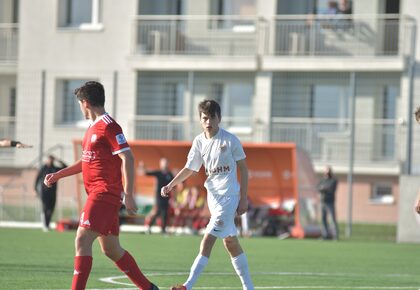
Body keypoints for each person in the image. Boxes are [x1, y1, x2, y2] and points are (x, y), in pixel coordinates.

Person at [44, 81, 159, 290]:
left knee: (82, 238)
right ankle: (149, 288)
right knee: (112, 250)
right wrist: (59, 174)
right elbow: (86, 162)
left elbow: (128, 158)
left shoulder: (109, 126)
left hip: (105, 193)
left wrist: (129, 194)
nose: (80, 108)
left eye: (79, 103)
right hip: (98, 194)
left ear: (85, 103)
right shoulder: (91, 128)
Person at [161, 99, 254, 290]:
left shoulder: (230, 140)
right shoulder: (199, 141)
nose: (209, 121)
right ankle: (249, 287)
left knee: (208, 239)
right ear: (200, 120)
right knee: (230, 242)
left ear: (219, 118)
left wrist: (243, 198)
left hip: (229, 199)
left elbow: (244, 170)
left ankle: (187, 285)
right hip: (213, 199)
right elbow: (190, 168)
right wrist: (171, 184)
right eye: (205, 118)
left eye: (212, 117)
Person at [138, 158, 173, 234]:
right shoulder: (159, 173)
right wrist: (142, 166)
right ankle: (149, 226)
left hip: (167, 197)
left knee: (165, 213)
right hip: (159, 196)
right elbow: (146, 173)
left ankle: (163, 229)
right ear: (161, 164)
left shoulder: (170, 174)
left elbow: (174, 185)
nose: (165, 164)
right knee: (158, 211)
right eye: (164, 163)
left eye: (166, 162)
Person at [34, 155, 67, 231]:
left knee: (51, 209)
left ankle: (47, 225)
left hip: (53, 192)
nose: (50, 161)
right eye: (49, 159)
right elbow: (37, 179)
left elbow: (65, 167)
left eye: (52, 160)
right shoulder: (43, 168)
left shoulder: (55, 168)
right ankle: (45, 225)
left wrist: (59, 160)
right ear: (47, 160)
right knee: (45, 208)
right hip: (44, 192)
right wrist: (35, 190)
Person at [317, 165, 339, 240]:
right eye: (325, 171)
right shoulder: (322, 180)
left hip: (330, 202)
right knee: (323, 219)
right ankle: (325, 235)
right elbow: (318, 187)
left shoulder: (333, 180)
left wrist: (323, 188)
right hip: (323, 201)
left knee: (332, 219)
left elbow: (330, 188)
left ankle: (335, 235)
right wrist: (322, 188)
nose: (326, 173)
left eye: (327, 171)